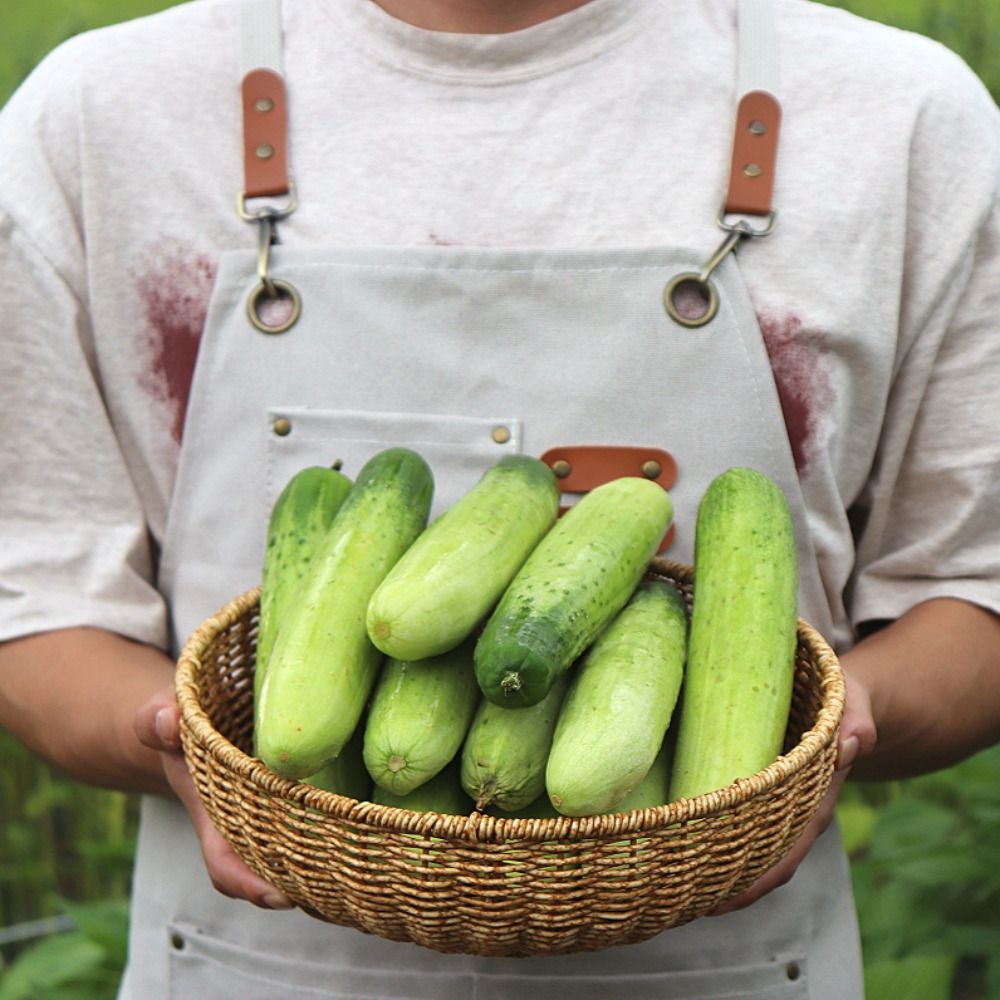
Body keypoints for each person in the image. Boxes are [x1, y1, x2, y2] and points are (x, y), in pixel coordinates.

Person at [2, 0, 999, 996]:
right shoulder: (102, 115)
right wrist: (184, 742)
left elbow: (972, 595)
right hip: (250, 962)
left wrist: (848, 719)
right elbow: (37, 601)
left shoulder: (901, 115)